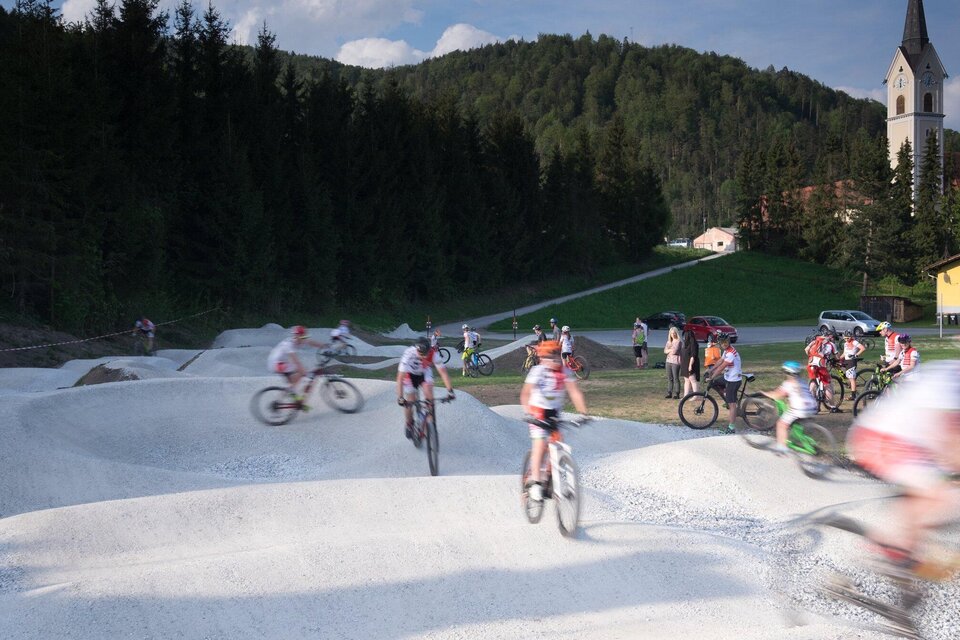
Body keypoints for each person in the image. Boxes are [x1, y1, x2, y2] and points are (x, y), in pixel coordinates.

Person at [844, 361, 960, 590]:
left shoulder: (951, 372)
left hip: (903, 439)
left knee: (930, 496)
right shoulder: (952, 380)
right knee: (942, 498)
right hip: (883, 437)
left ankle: (899, 549)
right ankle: (895, 553)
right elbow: (950, 442)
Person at [521, 341, 588, 503]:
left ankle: (549, 478)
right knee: (539, 445)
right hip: (537, 411)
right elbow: (525, 394)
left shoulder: (565, 371)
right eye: (551, 358)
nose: (556, 360)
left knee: (557, 444)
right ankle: (536, 483)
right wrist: (528, 412)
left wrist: (583, 413)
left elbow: (574, 392)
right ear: (542, 359)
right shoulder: (538, 371)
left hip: (554, 413)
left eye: (557, 356)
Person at [397, 336, 455, 439]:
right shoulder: (408, 354)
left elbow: (443, 373)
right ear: (416, 350)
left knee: (429, 397)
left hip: (424, 373)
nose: (424, 357)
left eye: (426, 354)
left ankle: (430, 423)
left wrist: (450, 390)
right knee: (410, 400)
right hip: (409, 374)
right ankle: (409, 423)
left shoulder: (433, 354)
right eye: (421, 354)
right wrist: (400, 397)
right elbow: (400, 378)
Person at [764, 361, 818, 454]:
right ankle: (803, 440)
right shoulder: (803, 381)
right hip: (812, 407)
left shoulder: (788, 383)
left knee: (781, 424)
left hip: (799, 409)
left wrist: (766, 394)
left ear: (787, 372)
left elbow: (777, 395)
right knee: (796, 423)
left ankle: (781, 448)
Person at [267, 326, 328, 404]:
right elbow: (296, 361)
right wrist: (304, 373)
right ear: (296, 336)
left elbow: (312, 343)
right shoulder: (288, 345)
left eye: (305, 336)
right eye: (302, 337)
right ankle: (288, 396)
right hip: (275, 363)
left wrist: (326, 346)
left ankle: (292, 395)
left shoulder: (299, 340)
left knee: (298, 376)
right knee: (300, 372)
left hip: (281, 362)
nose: (304, 339)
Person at [707, 332, 741, 433]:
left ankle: (731, 428)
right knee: (715, 383)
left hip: (733, 380)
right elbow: (720, 361)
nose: (724, 344)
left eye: (726, 342)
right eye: (722, 342)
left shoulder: (731, 353)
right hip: (728, 377)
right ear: (719, 343)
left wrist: (712, 376)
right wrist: (711, 369)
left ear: (729, 341)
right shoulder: (726, 351)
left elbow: (722, 367)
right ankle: (728, 398)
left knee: (732, 405)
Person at [805, 330, 839, 412]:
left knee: (813, 383)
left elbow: (806, 350)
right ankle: (833, 407)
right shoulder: (831, 344)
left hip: (811, 364)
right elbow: (837, 357)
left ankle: (813, 406)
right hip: (821, 365)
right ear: (830, 337)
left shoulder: (814, 341)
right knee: (827, 386)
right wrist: (837, 361)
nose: (833, 339)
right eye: (833, 338)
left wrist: (811, 357)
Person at [840, 330, 867, 395]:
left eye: (848, 338)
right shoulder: (845, 344)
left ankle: (853, 395)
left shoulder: (854, 342)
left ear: (851, 337)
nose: (846, 339)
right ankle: (853, 391)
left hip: (852, 361)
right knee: (849, 377)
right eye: (845, 338)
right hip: (847, 360)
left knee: (852, 379)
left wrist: (856, 355)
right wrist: (839, 358)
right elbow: (844, 353)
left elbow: (863, 348)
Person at [680, 329, 700, 396]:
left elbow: (693, 356)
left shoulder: (693, 344)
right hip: (684, 364)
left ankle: (695, 395)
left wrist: (690, 365)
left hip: (691, 363)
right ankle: (685, 395)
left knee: (692, 379)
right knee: (686, 380)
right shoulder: (685, 344)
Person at [663, 325, 682, 399]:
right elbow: (665, 351)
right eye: (671, 333)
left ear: (676, 333)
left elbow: (675, 351)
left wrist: (669, 350)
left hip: (675, 362)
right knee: (669, 378)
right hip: (668, 361)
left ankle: (677, 393)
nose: (673, 334)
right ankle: (669, 392)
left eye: (674, 333)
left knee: (676, 378)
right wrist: (670, 349)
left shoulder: (678, 342)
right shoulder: (669, 341)